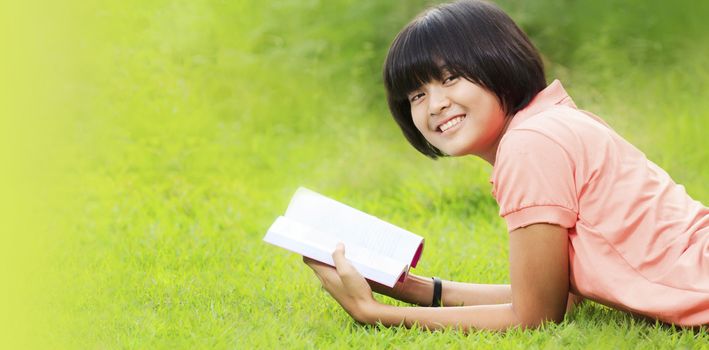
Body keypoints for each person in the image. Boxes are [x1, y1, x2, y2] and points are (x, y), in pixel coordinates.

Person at [303, 0, 709, 330]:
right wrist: (414, 288)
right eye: (416, 95)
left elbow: (535, 317)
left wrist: (376, 313)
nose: (436, 104)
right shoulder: (548, 125)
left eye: (450, 78)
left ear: (500, 63)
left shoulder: (529, 145)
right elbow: (552, 295)